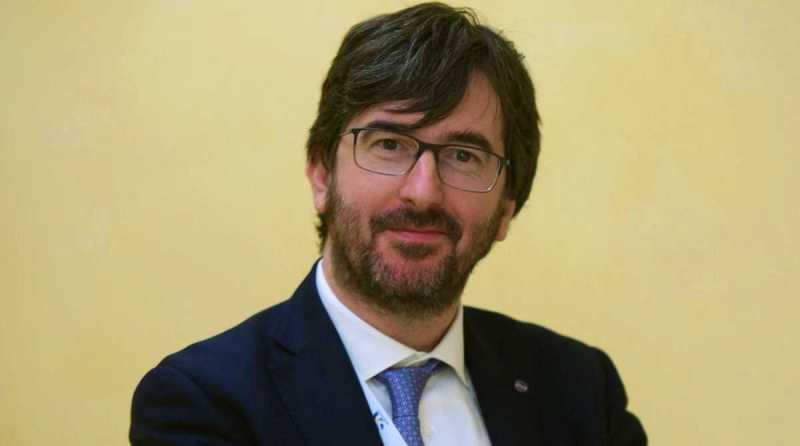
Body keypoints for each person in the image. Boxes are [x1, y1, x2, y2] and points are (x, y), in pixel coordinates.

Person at [130, 3, 647, 445]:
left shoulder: (580, 391)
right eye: (389, 145)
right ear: (321, 174)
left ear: (507, 207)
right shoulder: (204, 403)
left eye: (463, 156)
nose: (423, 192)